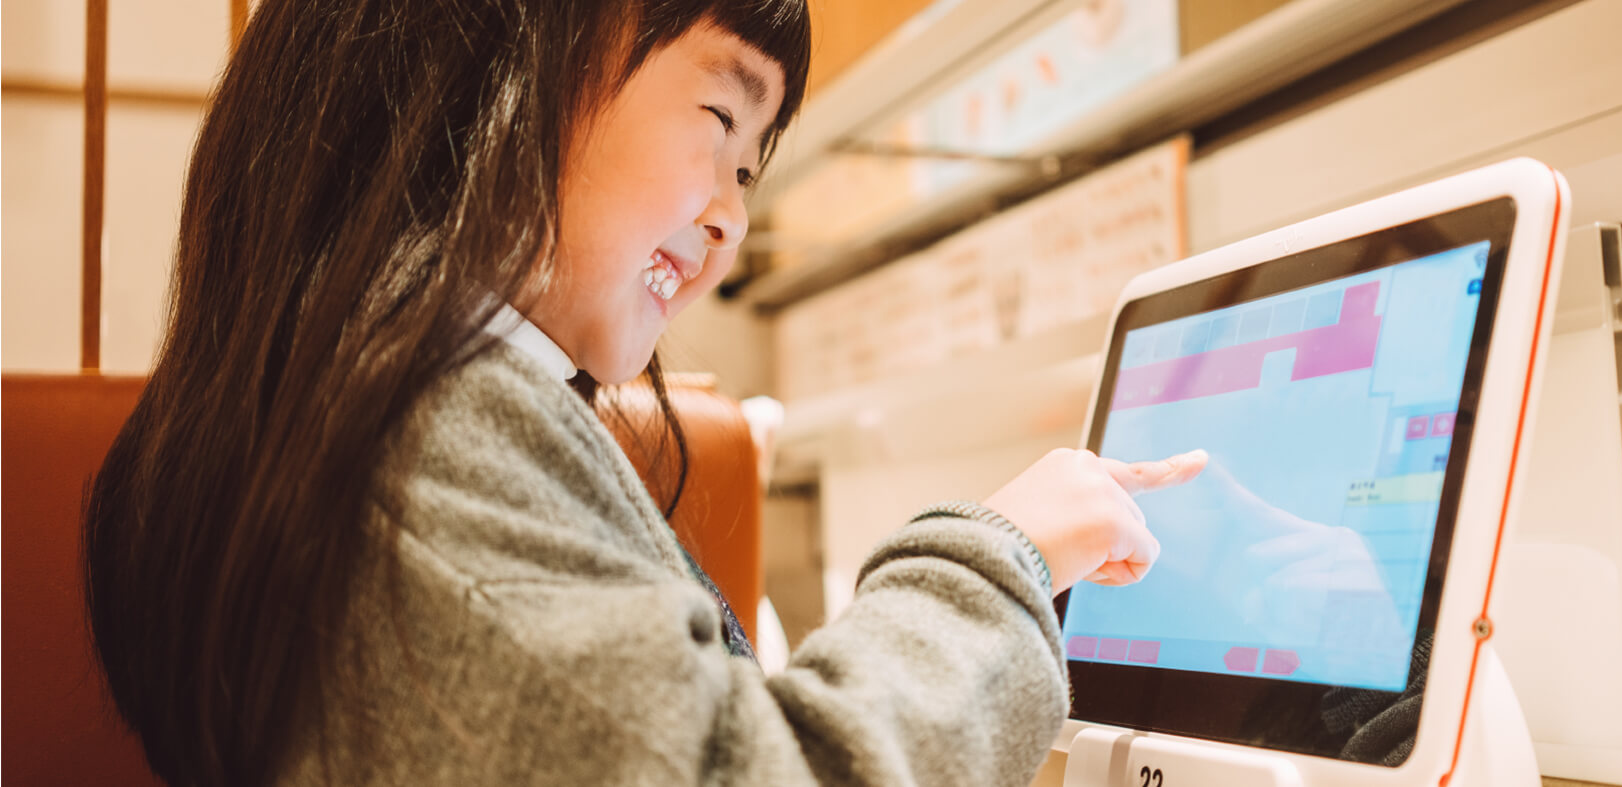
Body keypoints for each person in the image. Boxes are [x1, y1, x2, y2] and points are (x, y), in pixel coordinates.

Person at [80, 2, 1207, 785]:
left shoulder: (348, 389)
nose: (733, 217)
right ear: (498, 58)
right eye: (720, 122)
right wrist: (1001, 556)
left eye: (750, 167)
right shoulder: (420, 422)